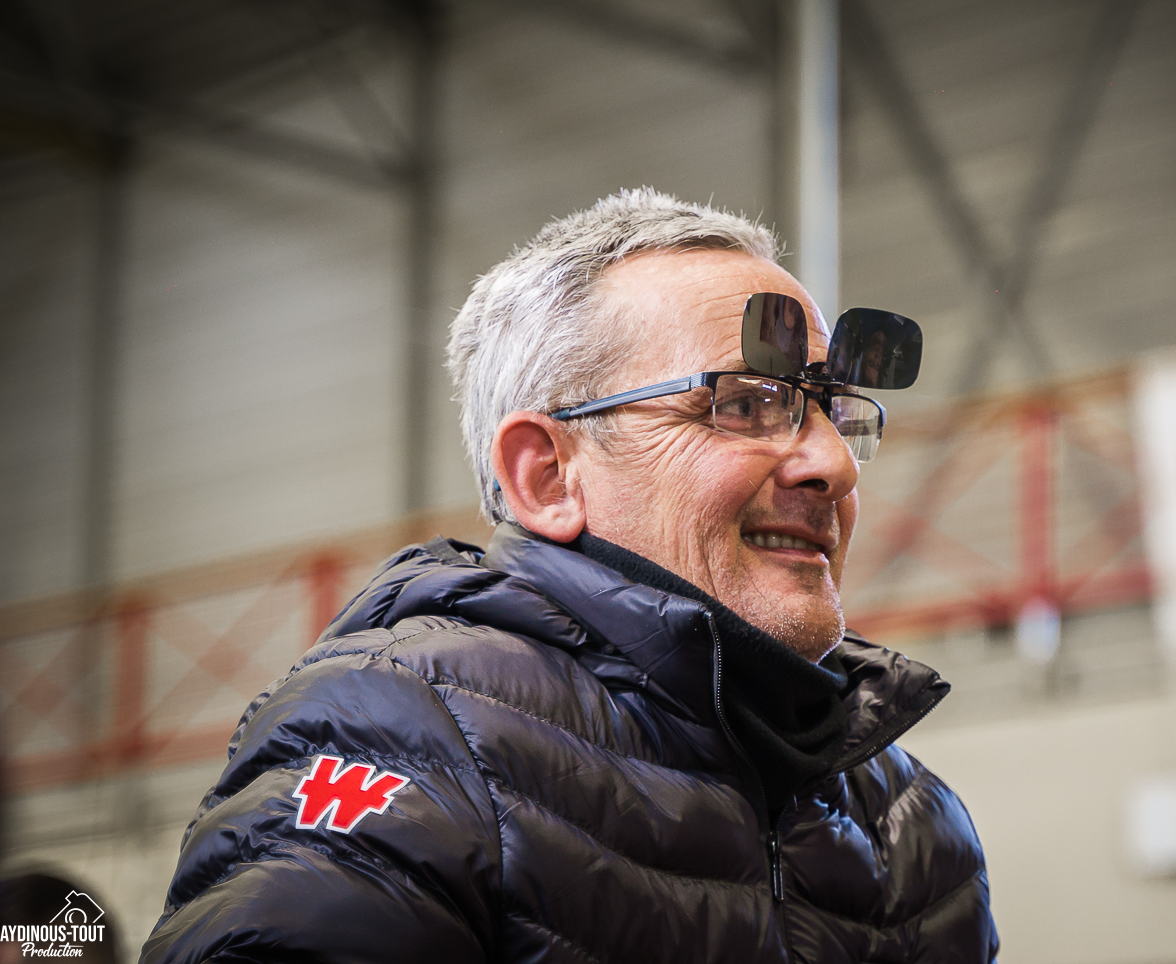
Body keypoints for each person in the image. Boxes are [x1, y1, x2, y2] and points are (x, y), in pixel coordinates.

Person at [141, 188, 999, 963]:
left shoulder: (914, 830)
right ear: (548, 477)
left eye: (834, 415)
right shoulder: (400, 737)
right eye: (745, 404)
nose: (834, 466)